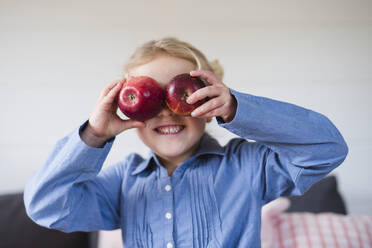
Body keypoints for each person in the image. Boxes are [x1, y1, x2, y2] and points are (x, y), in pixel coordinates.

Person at [24, 37, 348, 247]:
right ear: (127, 111)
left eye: (183, 96)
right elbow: (46, 205)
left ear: (209, 109)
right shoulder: (123, 182)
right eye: (152, 100)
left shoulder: (248, 167)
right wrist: (94, 134)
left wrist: (237, 107)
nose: (167, 111)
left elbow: (325, 149)